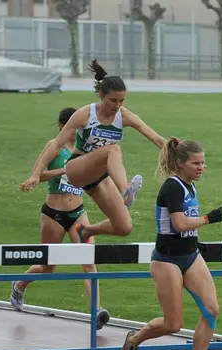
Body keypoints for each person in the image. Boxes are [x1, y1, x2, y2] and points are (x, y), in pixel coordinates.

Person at [19, 59, 168, 243]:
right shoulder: (86, 114)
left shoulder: (124, 116)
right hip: (77, 168)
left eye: (121, 101)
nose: (117, 105)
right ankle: (125, 190)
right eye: (113, 100)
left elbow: (157, 138)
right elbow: (56, 144)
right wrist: (36, 174)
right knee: (113, 149)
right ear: (101, 95)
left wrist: (176, 148)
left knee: (124, 227)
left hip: (98, 176)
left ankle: (87, 231)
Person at [118, 138, 222, 350]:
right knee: (172, 324)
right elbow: (179, 224)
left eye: (203, 163)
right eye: (196, 163)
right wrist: (208, 219)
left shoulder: (190, 186)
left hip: (190, 256)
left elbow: (187, 226)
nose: (201, 168)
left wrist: (195, 238)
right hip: (167, 260)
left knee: (211, 310)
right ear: (180, 163)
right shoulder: (172, 187)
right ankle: (134, 340)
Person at [10, 107, 110, 330]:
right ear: (63, 126)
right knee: (47, 267)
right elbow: (39, 175)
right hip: (53, 214)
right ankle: (19, 285)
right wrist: (64, 171)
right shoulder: (54, 146)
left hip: (78, 213)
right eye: (73, 126)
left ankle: (97, 311)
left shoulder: (85, 149)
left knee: (89, 262)